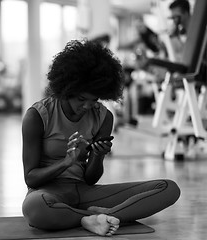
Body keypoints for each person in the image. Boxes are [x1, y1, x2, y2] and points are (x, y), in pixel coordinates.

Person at [21, 39, 181, 237]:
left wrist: (97, 156)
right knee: (35, 209)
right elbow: (31, 178)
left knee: (168, 188)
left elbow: (90, 179)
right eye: (81, 99)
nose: (88, 106)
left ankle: (93, 217)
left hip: (84, 192)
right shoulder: (37, 116)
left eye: (94, 100)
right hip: (47, 194)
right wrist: (66, 162)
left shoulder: (104, 117)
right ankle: (91, 217)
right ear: (66, 90)